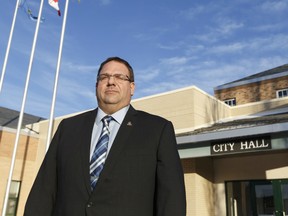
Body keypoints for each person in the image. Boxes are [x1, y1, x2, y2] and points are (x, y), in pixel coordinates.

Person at [24, 56, 186, 216]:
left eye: (120, 77)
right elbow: (44, 191)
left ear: (132, 88)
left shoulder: (158, 129)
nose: (111, 81)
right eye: (104, 77)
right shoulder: (68, 128)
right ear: (97, 85)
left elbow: (171, 197)